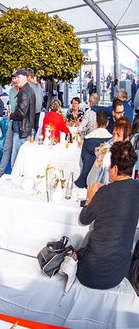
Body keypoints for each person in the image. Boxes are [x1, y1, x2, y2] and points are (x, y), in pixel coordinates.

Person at [76, 142, 139, 290]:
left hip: (89, 274)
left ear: (115, 169)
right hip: (118, 274)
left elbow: (83, 220)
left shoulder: (104, 192)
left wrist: (90, 198)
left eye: (110, 166)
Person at [86, 117, 132, 186]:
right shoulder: (107, 155)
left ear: (126, 139)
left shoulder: (129, 159)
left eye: (118, 135)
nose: (114, 138)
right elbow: (90, 183)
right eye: (114, 134)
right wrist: (99, 160)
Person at [75, 110, 113, 188]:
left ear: (96, 122)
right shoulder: (111, 140)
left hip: (87, 182)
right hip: (105, 182)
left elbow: (82, 162)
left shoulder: (87, 138)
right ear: (107, 123)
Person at [9, 69, 37, 171]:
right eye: (16, 77)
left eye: (18, 77)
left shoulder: (24, 92)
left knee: (16, 160)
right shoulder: (28, 90)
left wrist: (11, 115)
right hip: (25, 128)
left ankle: (15, 177)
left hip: (22, 130)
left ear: (25, 77)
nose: (16, 80)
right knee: (23, 159)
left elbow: (21, 113)